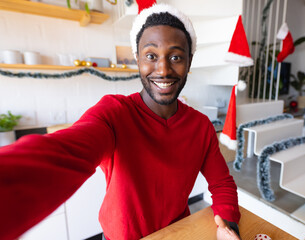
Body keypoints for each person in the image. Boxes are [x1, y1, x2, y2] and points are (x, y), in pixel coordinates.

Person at [0, 4, 241, 240]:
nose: (163, 69)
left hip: (174, 234)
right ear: (137, 59)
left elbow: (222, 183)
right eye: (151, 55)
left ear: (189, 61)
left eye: (176, 56)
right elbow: (64, 154)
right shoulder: (114, 113)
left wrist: (228, 226)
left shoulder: (200, 126)